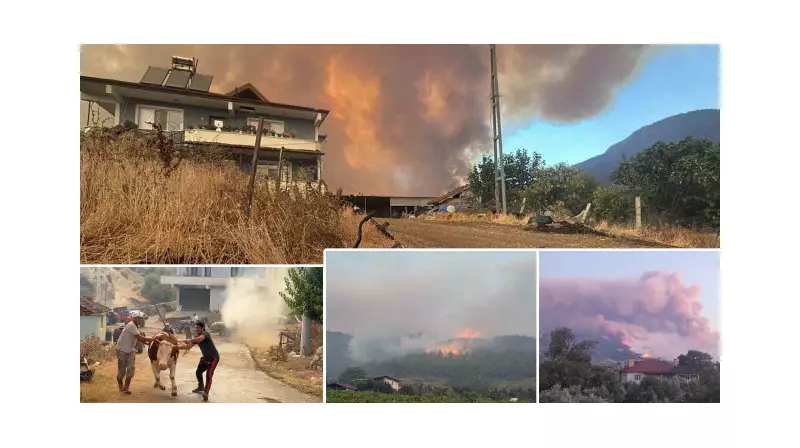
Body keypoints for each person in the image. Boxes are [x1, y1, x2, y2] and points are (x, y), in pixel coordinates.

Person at [116, 314, 157, 394]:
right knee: (121, 371)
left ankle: (126, 387)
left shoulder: (136, 326)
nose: (140, 320)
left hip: (131, 350)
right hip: (122, 350)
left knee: (131, 369)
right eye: (138, 318)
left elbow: (140, 339)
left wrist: (149, 343)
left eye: (141, 318)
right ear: (134, 318)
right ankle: (121, 384)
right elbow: (140, 338)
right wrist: (153, 340)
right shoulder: (131, 325)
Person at [179, 321, 220, 401]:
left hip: (214, 358)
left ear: (202, 328)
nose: (196, 329)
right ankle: (201, 387)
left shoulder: (205, 334)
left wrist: (190, 340)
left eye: (198, 327)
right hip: (205, 358)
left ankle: (206, 393)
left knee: (209, 376)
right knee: (198, 372)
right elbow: (188, 347)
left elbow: (200, 339)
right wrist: (174, 347)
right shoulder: (196, 337)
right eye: (195, 327)